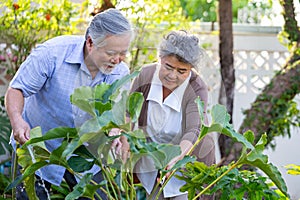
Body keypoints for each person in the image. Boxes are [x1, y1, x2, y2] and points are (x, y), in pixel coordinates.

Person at [4, 8, 133, 199]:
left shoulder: (120, 72)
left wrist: (116, 131)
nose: (117, 60)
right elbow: (17, 89)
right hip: (39, 148)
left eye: (123, 53)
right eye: (111, 53)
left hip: (87, 156)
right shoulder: (52, 54)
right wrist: (17, 120)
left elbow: (119, 115)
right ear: (90, 42)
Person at [130, 30, 215, 199]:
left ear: (190, 69)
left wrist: (178, 157)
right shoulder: (145, 76)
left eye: (182, 71)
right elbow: (128, 113)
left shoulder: (197, 87)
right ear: (160, 58)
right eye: (168, 67)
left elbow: (194, 129)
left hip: (186, 162)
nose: (172, 75)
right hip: (153, 162)